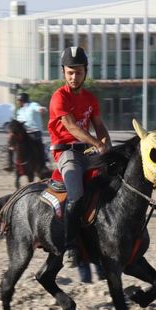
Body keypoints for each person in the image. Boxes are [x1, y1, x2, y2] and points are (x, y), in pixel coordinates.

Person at [48, 46, 112, 264]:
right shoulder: (59, 97)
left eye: (79, 72)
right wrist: (96, 143)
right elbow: (72, 127)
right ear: (64, 72)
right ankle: (70, 245)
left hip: (88, 151)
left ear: (86, 72)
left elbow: (100, 126)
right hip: (67, 153)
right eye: (70, 72)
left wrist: (106, 144)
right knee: (76, 193)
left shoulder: (91, 99)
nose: (74, 77)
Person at [4, 93, 48, 172]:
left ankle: (43, 166)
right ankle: (10, 164)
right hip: (24, 133)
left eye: (18, 100)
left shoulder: (33, 105)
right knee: (11, 144)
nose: (18, 102)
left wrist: (42, 109)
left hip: (35, 132)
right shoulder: (20, 110)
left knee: (39, 146)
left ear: (22, 100)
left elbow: (38, 108)